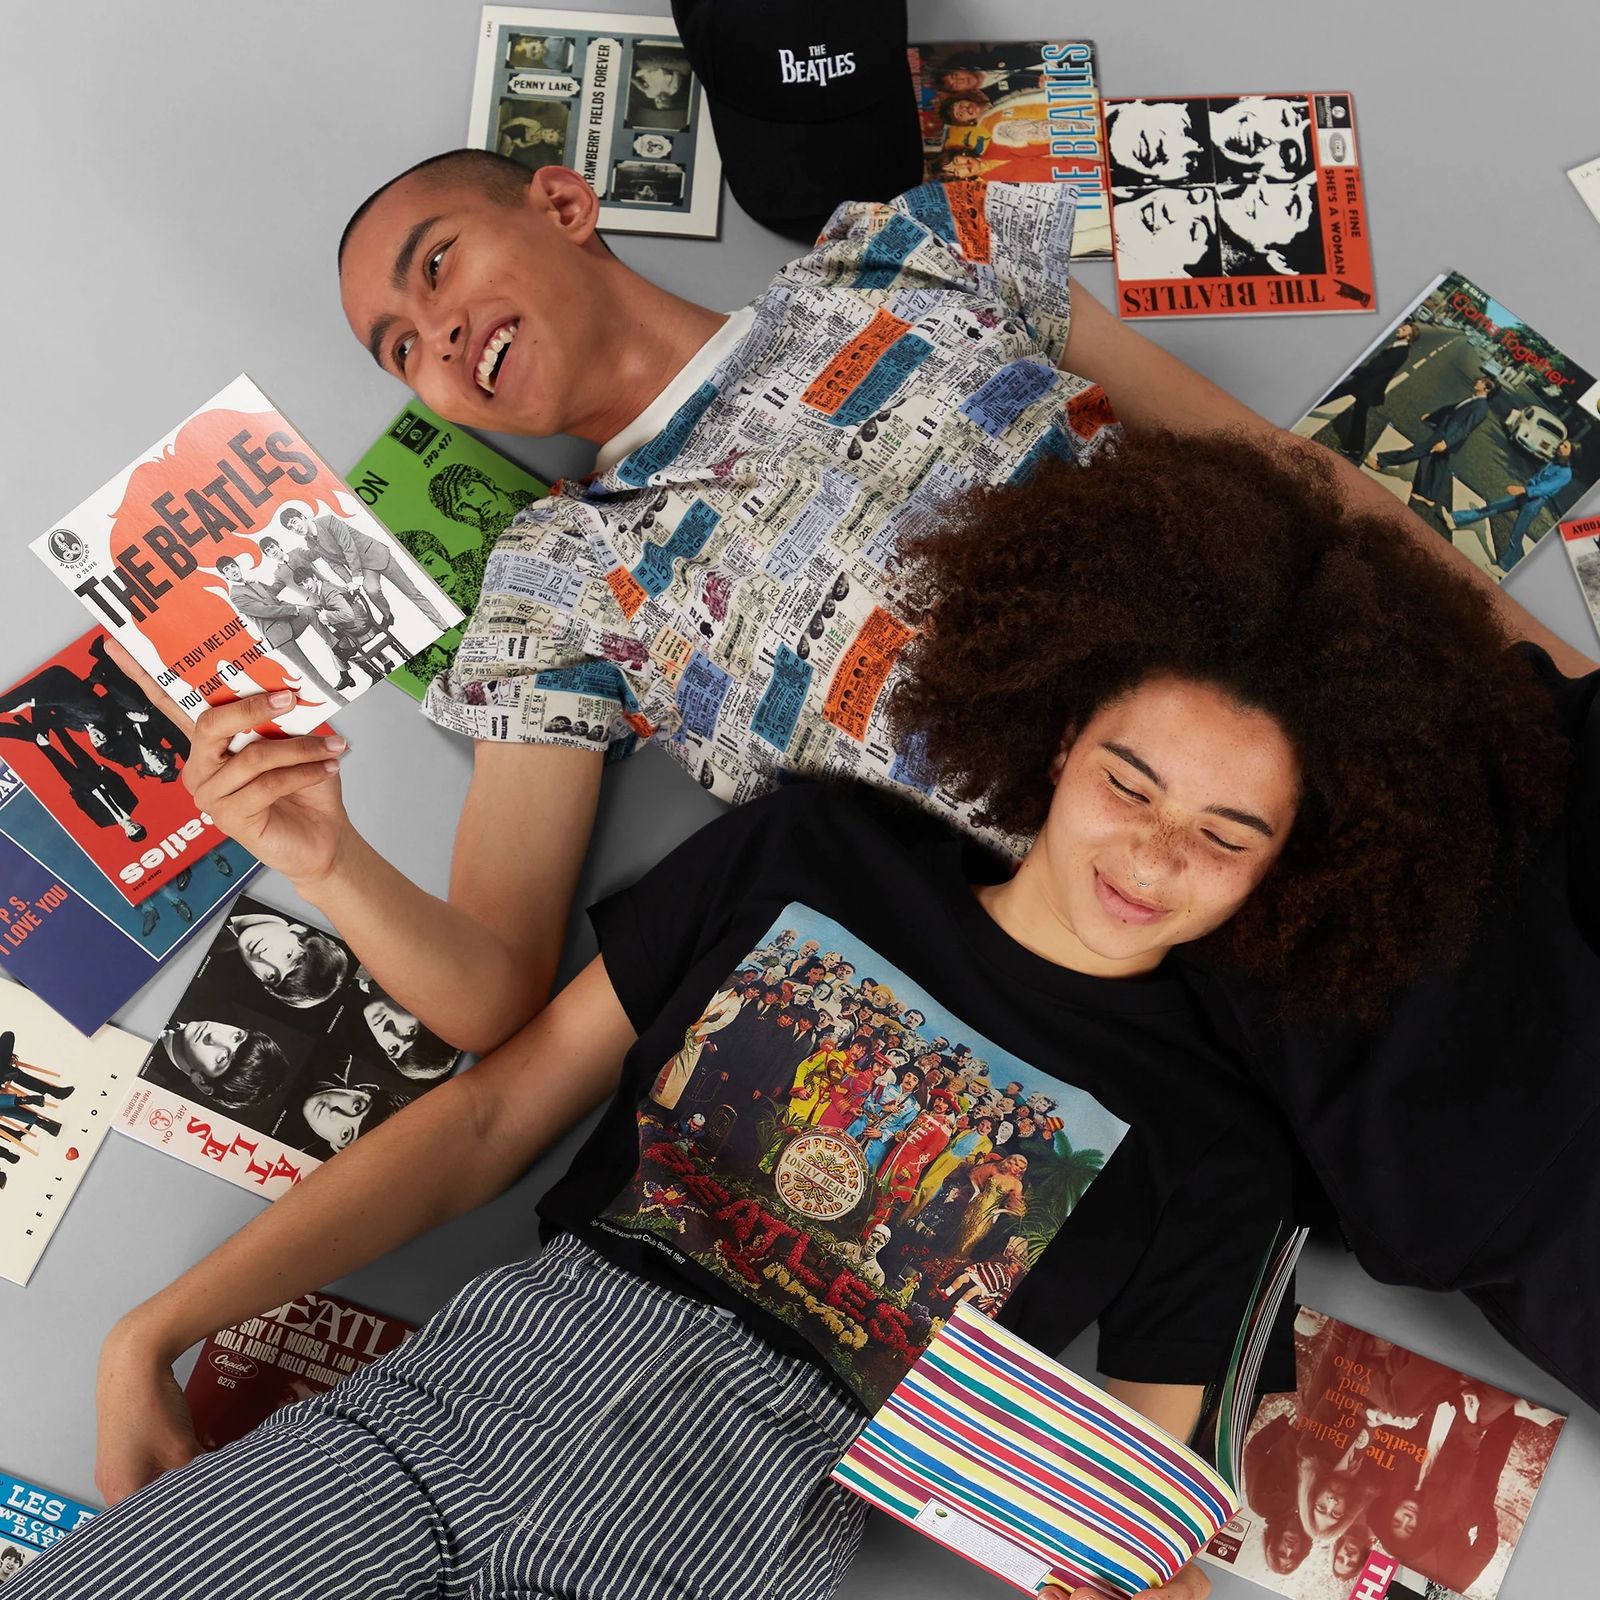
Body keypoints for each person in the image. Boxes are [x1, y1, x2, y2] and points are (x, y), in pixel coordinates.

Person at [26, 437, 1579, 1600]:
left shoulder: (1226, 1149)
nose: (1158, 855)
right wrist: (148, 1334)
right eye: (1130, 781)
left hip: (719, 1542)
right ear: (1055, 738)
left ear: (1289, 872)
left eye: (1229, 837)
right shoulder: (812, 849)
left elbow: (1122, 1533)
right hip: (433, 1415)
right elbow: (494, 1118)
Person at [112, 157, 1590, 1361]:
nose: (433, 341)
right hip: (1308, 979)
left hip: (1461, 738)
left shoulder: (904, 247)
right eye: (397, 348)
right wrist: (326, 860)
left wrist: (1561, 675)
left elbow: (1281, 471)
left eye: (434, 267)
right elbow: (496, 989)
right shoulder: (558, 583)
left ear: (561, 203)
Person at [275, 506, 449, 632]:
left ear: (302, 516)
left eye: (294, 522)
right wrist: (349, 581)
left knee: (412, 592)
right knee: (371, 590)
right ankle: (388, 615)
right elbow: (334, 564)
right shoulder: (310, 543)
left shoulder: (328, 521)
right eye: (290, 527)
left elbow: (348, 547)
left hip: (377, 556)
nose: (295, 528)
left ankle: (443, 626)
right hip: (363, 569)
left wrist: (356, 576)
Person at [214, 554, 349, 708]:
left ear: (237, 566)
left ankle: (337, 648)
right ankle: (344, 703)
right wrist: (294, 609)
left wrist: (300, 607)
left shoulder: (254, 584)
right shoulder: (236, 596)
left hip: (289, 622)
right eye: (227, 570)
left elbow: (277, 602)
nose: (232, 570)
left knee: (310, 611)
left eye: (233, 566)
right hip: (278, 636)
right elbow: (266, 611)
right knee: (313, 673)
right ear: (225, 575)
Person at [1369, 375, 1499, 515]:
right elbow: (1451, 410)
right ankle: (1429, 496)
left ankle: (1381, 461)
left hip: (1446, 436)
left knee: (1418, 450)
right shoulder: (1475, 399)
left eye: (1481, 381)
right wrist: (1432, 417)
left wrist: (1446, 443)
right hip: (1445, 431)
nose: (1477, 381)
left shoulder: (1481, 407)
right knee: (1439, 465)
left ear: (1486, 389)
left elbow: (1465, 429)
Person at [1451, 436, 1576, 572]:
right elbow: (1538, 477)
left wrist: (1524, 489)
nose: (1560, 446)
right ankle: (1455, 518)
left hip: (1533, 503)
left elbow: (1546, 488)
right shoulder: (1555, 462)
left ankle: (1505, 566)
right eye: (1562, 444)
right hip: (1525, 494)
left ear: (1571, 454)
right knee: (1492, 507)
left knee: (1516, 535)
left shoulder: (1566, 474)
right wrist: (1527, 485)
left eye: (1565, 447)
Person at [1319, 319, 1420, 459]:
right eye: (1402, 327)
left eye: (1403, 330)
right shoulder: (1399, 347)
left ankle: (1355, 449)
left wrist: (1355, 370)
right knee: (1343, 400)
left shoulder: (1401, 352)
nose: (1399, 329)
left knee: (1356, 414)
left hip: (1368, 387)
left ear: (1408, 337)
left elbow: (1376, 368)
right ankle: (1355, 449)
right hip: (1365, 384)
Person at [152, 1021, 286, 1113]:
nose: (214, 1036)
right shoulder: (212, 1000)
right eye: (236, 1037)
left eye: (222, 1058)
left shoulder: (152, 1084)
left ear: (202, 1082)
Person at [226, 912, 350, 1009]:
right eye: (288, 955)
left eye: (271, 976)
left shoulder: (219, 941)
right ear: (299, 930)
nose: (265, 957)